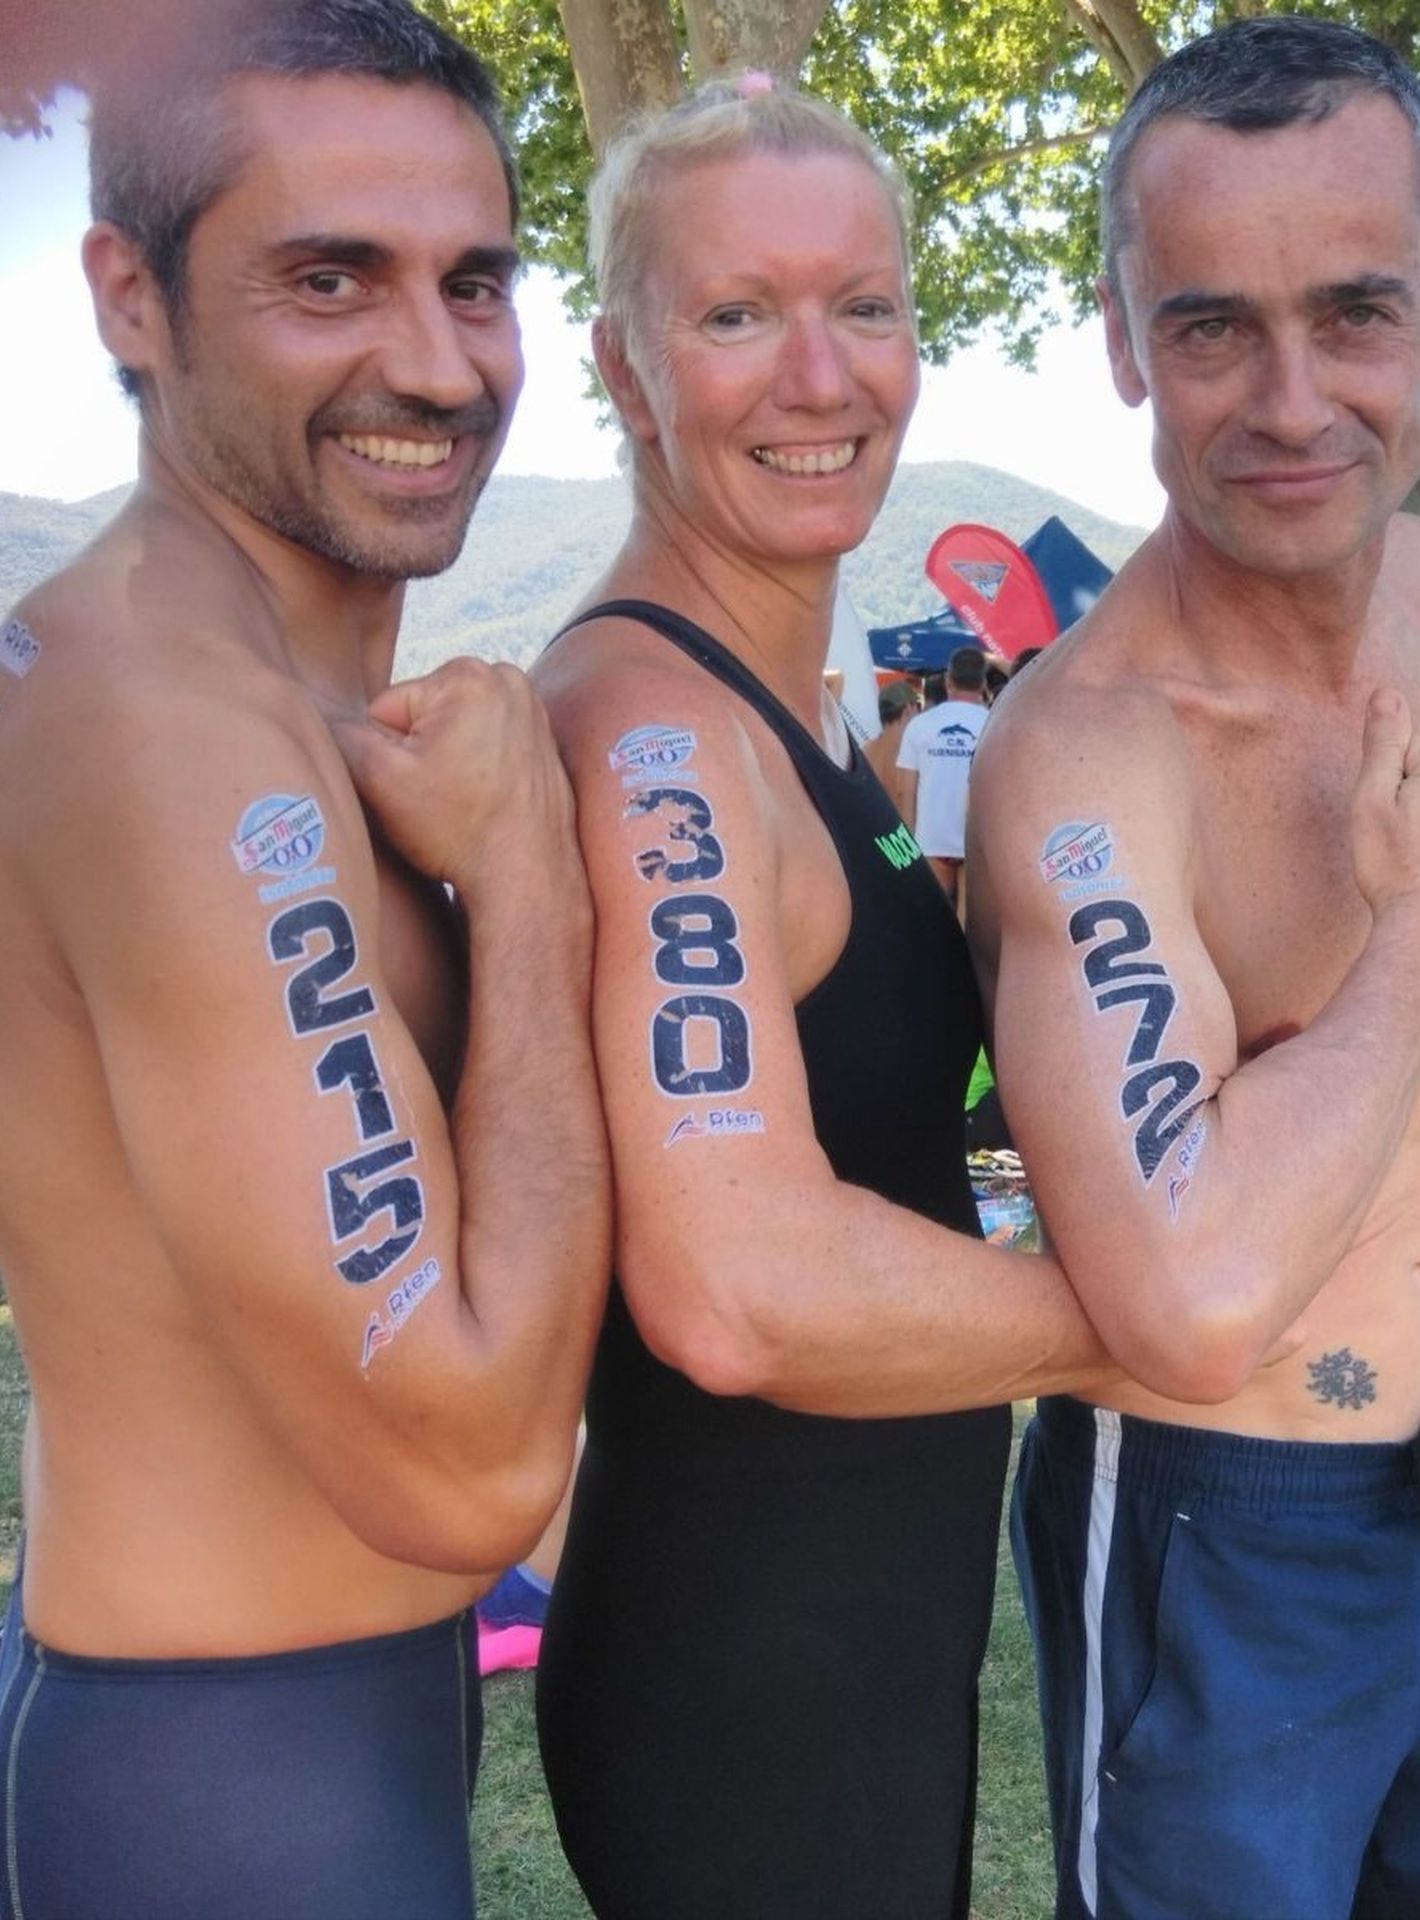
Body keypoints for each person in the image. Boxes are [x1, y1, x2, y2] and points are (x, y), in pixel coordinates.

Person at [967, 19, 1420, 1919]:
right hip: (1209, 1527)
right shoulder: (1091, 756)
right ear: (1119, 335)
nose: (1292, 400)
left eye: (1354, 313)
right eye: (1211, 326)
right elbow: (1181, 1299)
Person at [0, 5, 609, 1915]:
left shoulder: (265, 697)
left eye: (477, 280)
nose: (433, 363)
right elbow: (472, 1474)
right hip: (224, 1773)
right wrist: (531, 890)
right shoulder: (168, 727)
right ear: (132, 295)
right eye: (328, 277)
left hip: (298, 1726)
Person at [527, 77, 1115, 1920]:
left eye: (864, 306)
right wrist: (1156, 1328)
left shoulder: (799, 721)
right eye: (733, 314)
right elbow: (738, 1285)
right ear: (625, 370)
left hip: (859, 1643)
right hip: (745, 1686)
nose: (819, 374)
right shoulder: (659, 736)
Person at [896, 640, 992, 910]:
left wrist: (906, 854)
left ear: (949, 680)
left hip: (931, 841)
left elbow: (906, 791)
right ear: (982, 683)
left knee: (933, 922)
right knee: (973, 930)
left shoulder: (919, 725)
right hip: (977, 844)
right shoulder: (995, 722)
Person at [863, 673, 919, 809]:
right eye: (918, 706)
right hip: (900, 828)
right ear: (908, 710)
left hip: (871, 827)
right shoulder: (908, 753)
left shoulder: (866, 749)